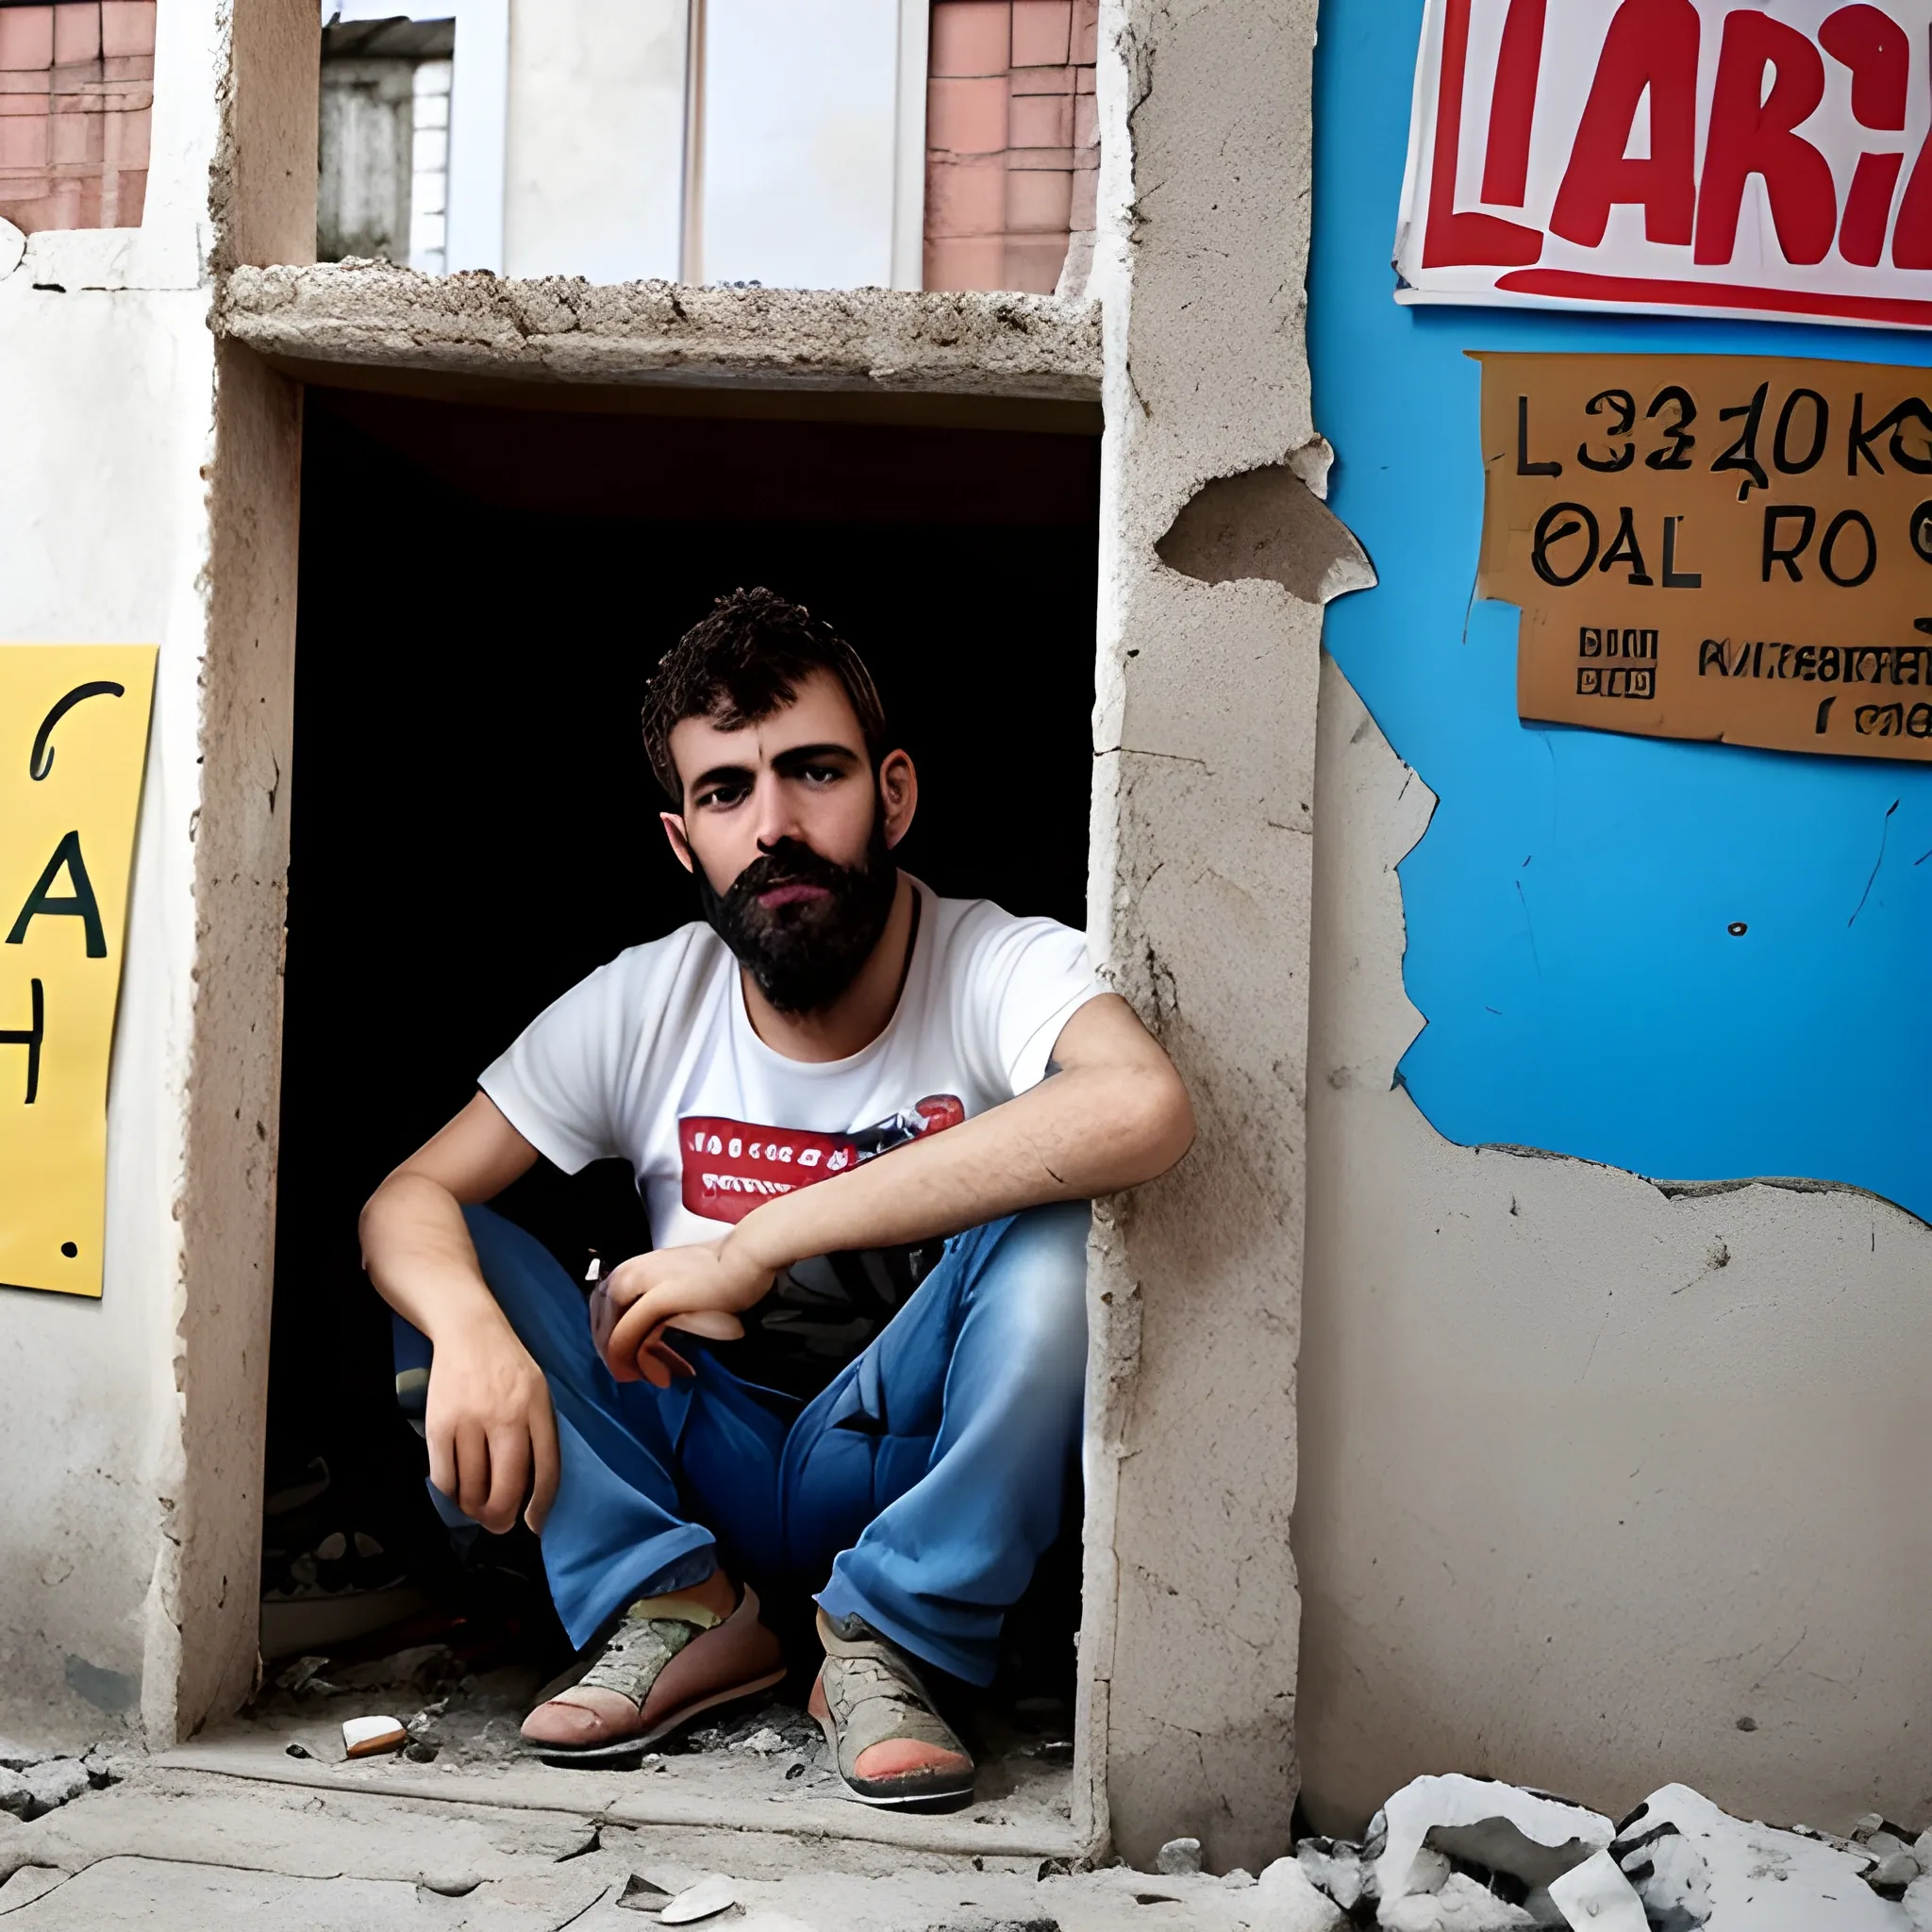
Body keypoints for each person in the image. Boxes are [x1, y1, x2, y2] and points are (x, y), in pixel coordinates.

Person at [359, 588, 1194, 1809]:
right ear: (680, 839)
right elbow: (408, 1196)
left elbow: (1139, 1106)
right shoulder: (647, 998)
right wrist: (476, 1335)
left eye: (815, 772)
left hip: (901, 1454)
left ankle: (893, 1639)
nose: (775, 825)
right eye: (725, 792)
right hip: (698, 1455)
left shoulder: (997, 963)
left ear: (893, 793)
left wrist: (758, 1242)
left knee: (1065, 1218)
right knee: (452, 1257)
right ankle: (675, 1607)